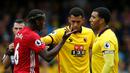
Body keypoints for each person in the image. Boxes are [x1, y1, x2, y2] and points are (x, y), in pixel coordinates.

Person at [12, 9, 76, 73]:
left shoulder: (19, 33)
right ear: (37, 21)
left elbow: (26, 51)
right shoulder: (32, 36)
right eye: (43, 21)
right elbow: (48, 57)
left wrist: (40, 49)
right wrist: (63, 41)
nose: (44, 23)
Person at [41, 7, 95, 73]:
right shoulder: (60, 33)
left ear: (83, 20)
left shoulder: (89, 32)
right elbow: (41, 40)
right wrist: (42, 45)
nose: (75, 24)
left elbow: (95, 50)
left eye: (78, 22)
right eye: (73, 21)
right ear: (69, 19)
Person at [89, 7, 119, 73]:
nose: (90, 20)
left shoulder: (107, 38)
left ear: (102, 20)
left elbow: (109, 64)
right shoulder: (100, 35)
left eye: (93, 17)